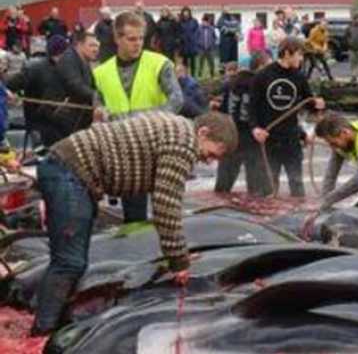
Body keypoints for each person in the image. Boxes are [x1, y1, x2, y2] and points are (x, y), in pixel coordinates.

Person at [29, 111, 237, 335]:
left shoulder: (178, 129)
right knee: (70, 261)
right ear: (203, 132)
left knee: (72, 258)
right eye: (213, 154)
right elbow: (166, 207)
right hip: (69, 173)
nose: (209, 161)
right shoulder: (183, 144)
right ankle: (42, 333)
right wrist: (179, 261)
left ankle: (48, 320)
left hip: (69, 170)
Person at [93, 12, 185, 223]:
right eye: (131, 39)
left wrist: (147, 120)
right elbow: (98, 105)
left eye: (141, 38)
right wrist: (100, 113)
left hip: (159, 147)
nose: (138, 44)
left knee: (168, 213)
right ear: (117, 39)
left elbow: (177, 99)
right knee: (134, 217)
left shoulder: (160, 64)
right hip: (126, 153)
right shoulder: (101, 73)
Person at [250, 36, 326, 198]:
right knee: (269, 186)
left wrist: (317, 104)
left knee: (297, 183)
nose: (302, 58)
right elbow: (252, 107)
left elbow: (308, 103)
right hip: (269, 137)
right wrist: (255, 128)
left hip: (291, 138)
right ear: (286, 53)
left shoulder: (299, 77)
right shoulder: (263, 76)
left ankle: (298, 218)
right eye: (299, 54)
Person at [5, 35, 94, 149]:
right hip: (42, 124)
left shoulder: (75, 69)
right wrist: (9, 93)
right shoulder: (34, 69)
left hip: (68, 123)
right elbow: (9, 86)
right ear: (54, 55)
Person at [215, 51, 271, 196]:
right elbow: (266, 114)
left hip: (230, 135)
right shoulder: (261, 86)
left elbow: (222, 111)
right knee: (258, 191)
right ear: (260, 67)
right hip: (252, 137)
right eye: (268, 66)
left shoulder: (230, 83)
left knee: (222, 188)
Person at [179, 7, 201, 77]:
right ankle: (185, 76)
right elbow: (178, 32)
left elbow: (198, 31)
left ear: (189, 13)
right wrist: (181, 38)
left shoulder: (194, 21)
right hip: (184, 45)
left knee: (193, 62)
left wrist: (195, 38)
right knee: (184, 63)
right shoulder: (180, 22)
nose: (186, 13)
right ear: (182, 13)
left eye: (187, 12)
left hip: (192, 45)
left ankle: (193, 76)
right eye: (184, 12)